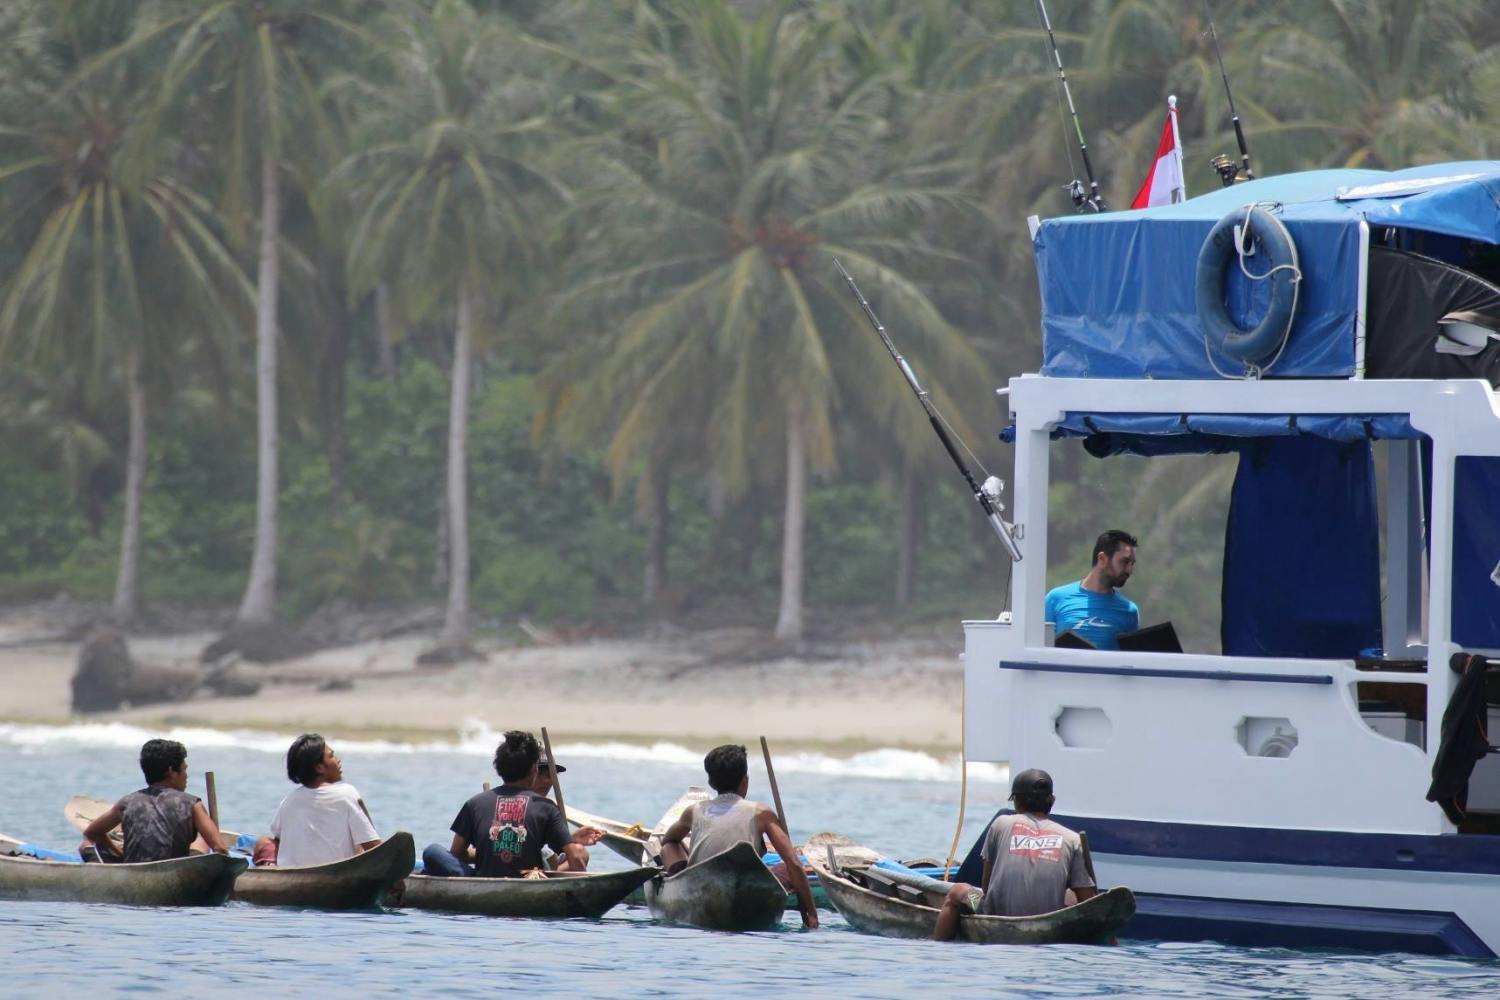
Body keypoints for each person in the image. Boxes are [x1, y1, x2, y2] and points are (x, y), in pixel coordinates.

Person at [658, 744, 819, 930]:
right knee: (786, 866)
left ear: (710, 783)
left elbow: (667, 840)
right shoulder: (761, 812)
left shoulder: (694, 811)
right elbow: (794, 864)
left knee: (668, 847)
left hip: (700, 888)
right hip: (751, 890)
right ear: (745, 781)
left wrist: (681, 865)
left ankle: (680, 882)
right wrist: (811, 913)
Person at [933, 768, 1096, 941]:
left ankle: (939, 946)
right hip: (1049, 918)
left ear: (1016, 802)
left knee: (956, 891)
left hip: (994, 912)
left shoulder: (1001, 824)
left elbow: (987, 886)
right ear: (1052, 801)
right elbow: (1087, 902)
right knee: (1071, 895)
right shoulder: (1072, 838)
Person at [422, 731, 601, 877]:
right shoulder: (545, 807)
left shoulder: (474, 803)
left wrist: (495, 849)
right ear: (534, 770)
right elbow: (576, 859)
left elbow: (457, 854)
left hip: (483, 880)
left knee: (432, 851)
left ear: (499, 768)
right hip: (529, 881)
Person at [79, 738, 228, 863]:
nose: (186, 776)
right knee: (202, 840)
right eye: (184, 769)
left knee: (85, 845)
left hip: (133, 873)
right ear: (171, 771)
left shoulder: (126, 803)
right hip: (176, 872)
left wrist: (118, 852)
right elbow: (220, 849)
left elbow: (92, 832)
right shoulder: (192, 804)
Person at [257, 733, 381, 868]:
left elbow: (278, 840)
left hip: (293, 877)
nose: (338, 760)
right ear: (319, 767)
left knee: (264, 842)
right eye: (332, 756)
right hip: (337, 876)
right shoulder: (346, 794)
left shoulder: (289, 800)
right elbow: (373, 847)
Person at [1044, 529, 1140, 650]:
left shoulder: (1129, 611)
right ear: (1102, 559)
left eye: (1132, 564)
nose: (1129, 570)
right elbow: (1040, 648)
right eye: (1125, 562)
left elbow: (1131, 662)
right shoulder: (1055, 599)